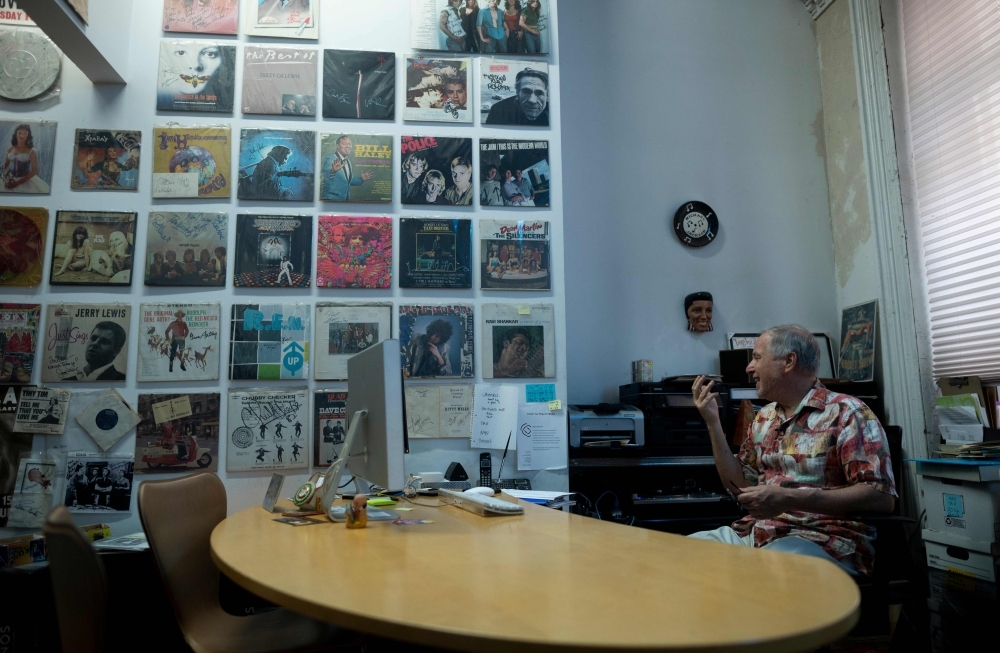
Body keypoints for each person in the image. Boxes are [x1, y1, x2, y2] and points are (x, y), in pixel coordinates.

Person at [688, 325, 896, 576]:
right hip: (757, 535)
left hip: (824, 540)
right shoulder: (764, 418)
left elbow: (881, 498)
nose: (749, 368)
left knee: (762, 572)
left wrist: (789, 498)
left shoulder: (847, 412)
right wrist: (713, 423)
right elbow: (739, 486)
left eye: (756, 358)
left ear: (788, 361)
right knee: (681, 554)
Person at [323, 135, 374, 201]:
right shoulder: (330, 158)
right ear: (337, 146)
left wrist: (361, 179)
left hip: (345, 200)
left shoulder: (348, 161)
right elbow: (325, 175)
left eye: (350, 144)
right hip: (332, 200)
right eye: (344, 144)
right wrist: (333, 171)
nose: (348, 146)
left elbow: (347, 181)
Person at [3, 123, 50, 193]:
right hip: (11, 178)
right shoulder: (10, 149)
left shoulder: (32, 151)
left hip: (26, 180)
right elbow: (5, 166)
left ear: (28, 135)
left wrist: (17, 183)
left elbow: (34, 170)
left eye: (25, 133)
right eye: (19, 133)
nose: (22, 135)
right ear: (16, 134)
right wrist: (8, 178)